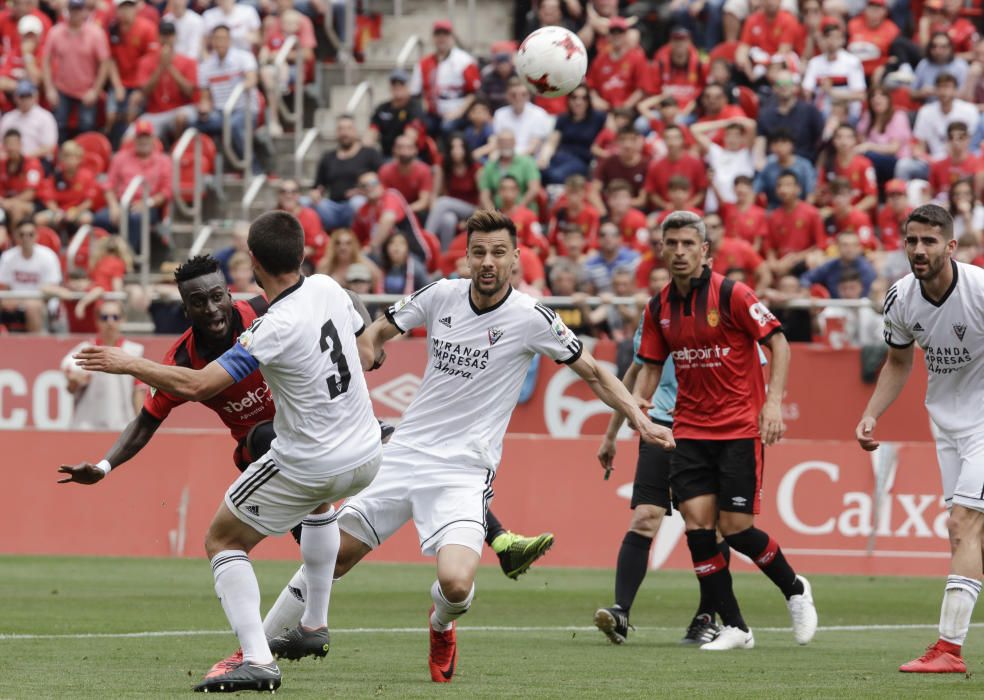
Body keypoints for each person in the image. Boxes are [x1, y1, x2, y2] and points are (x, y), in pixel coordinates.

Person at [250, 209, 674, 683]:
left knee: (454, 584)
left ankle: (441, 624)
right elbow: (379, 331)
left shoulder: (532, 318)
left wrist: (639, 417)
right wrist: (368, 350)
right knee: (332, 559)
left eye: (498, 252)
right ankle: (254, 652)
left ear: (515, 257)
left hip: (464, 470)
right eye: (478, 252)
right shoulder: (441, 295)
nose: (488, 262)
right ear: (467, 257)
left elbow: (594, 371)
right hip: (402, 455)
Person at [69, 213, 386, 693]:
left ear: (250, 267)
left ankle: (258, 660)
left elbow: (198, 386)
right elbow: (353, 303)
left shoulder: (267, 325)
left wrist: (127, 362)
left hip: (308, 455)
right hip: (362, 453)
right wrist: (369, 343)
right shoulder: (325, 286)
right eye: (200, 301)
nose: (214, 308)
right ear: (302, 252)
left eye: (218, 296)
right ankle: (312, 626)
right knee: (301, 480)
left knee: (222, 539)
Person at [634, 210, 817, 651]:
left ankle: (794, 588)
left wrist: (772, 402)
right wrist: (640, 409)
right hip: (690, 429)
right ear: (662, 249)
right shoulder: (659, 306)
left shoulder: (732, 294)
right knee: (698, 526)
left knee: (735, 529)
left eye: (687, 244)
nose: (679, 252)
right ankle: (736, 626)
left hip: (737, 427)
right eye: (671, 244)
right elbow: (651, 368)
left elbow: (778, 341)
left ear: (704, 251)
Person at [856, 204, 984, 674]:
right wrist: (871, 414)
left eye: (929, 241)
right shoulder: (900, 298)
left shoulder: (979, 290)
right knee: (970, 540)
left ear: (951, 246)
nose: (919, 250)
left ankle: (948, 651)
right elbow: (898, 363)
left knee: (963, 524)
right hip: (946, 426)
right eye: (912, 241)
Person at [60, 299, 145, 430]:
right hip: (87, 427)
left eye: (115, 317)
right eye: (104, 317)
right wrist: (74, 381)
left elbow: (139, 391)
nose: (110, 322)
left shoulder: (134, 351)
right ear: (97, 320)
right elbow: (71, 389)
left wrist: (141, 428)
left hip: (122, 427)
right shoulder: (84, 350)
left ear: (123, 319)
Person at [93, 120, 173, 254]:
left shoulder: (163, 161)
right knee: (100, 218)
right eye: (140, 137)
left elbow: (167, 191)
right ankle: (102, 257)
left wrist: (148, 202)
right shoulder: (120, 157)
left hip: (148, 205)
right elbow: (108, 185)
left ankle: (126, 258)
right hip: (121, 204)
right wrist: (113, 206)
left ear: (153, 139)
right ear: (134, 139)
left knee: (135, 219)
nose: (143, 141)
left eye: (146, 137)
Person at [41, 0, 111, 140]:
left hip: (87, 90)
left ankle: (84, 159)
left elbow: (105, 62)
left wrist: (96, 90)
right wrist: (49, 88)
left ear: (84, 11)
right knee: (59, 127)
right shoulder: (56, 32)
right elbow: (45, 60)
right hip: (62, 89)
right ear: (68, 11)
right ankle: (58, 159)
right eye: (73, 9)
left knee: (86, 127)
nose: (76, 13)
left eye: (79, 9)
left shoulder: (95, 33)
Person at [195, 24, 259, 173]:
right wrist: (204, 108)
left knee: (233, 126)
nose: (220, 42)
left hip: (245, 109)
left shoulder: (244, 57)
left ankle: (254, 169)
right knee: (193, 125)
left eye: (223, 38)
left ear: (230, 40)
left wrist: (242, 85)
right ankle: (208, 172)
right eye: (217, 39)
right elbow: (205, 97)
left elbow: (252, 79)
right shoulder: (206, 66)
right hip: (220, 111)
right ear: (212, 41)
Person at [899, 73, 979, 181]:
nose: (944, 92)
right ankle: (901, 195)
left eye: (947, 87)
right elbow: (919, 145)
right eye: (940, 87)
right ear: (935, 90)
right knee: (904, 165)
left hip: (963, 162)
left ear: (956, 90)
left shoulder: (969, 110)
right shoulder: (926, 112)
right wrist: (929, 159)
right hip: (933, 162)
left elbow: (974, 144)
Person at [310, 114, 382, 231]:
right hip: (332, 207)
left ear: (355, 131)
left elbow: (381, 182)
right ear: (336, 132)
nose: (345, 133)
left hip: (358, 203)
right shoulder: (328, 157)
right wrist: (315, 193)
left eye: (348, 128)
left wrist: (361, 191)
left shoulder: (369, 154)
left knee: (357, 202)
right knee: (305, 202)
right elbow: (318, 186)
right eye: (341, 129)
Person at [130, 20, 198, 140]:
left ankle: (177, 151)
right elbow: (145, 92)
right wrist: (161, 67)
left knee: (181, 117)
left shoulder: (188, 61)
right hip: (155, 112)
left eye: (170, 35)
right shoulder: (146, 61)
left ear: (175, 37)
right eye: (163, 35)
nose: (167, 38)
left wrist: (170, 67)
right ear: (158, 37)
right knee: (129, 138)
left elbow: (190, 92)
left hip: (179, 109)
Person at [410, 20, 480, 135]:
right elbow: (415, 94)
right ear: (433, 38)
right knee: (420, 126)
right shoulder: (423, 64)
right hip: (433, 113)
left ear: (452, 37)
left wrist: (458, 112)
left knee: (446, 127)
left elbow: (474, 93)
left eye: (445, 35)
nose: (441, 38)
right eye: (438, 35)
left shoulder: (465, 61)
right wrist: (424, 106)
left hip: (460, 112)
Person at [105, 0, 160, 145]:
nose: (126, 11)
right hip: (121, 81)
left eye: (129, 7)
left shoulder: (147, 28)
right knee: (110, 115)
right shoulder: (113, 29)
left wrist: (140, 90)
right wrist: (117, 85)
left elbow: (151, 61)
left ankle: (131, 147)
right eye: (122, 8)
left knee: (132, 113)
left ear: (135, 9)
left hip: (140, 83)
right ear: (117, 10)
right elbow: (111, 60)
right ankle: (112, 148)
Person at [0, 219, 62, 332]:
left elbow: (51, 289)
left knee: (33, 306)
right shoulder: (8, 257)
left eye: (30, 234)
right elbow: (5, 286)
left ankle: (36, 344)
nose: (26, 238)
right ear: (16, 237)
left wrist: (25, 300)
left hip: (41, 300)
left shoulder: (48, 256)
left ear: (36, 236)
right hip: (14, 299)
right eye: (22, 234)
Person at [538, 85, 607, 186]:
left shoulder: (598, 118)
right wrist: (544, 158)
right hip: (560, 157)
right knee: (538, 173)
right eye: (574, 97)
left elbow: (611, 135)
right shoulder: (563, 118)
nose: (578, 102)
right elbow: (551, 143)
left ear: (589, 100)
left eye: (584, 98)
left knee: (556, 176)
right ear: (568, 99)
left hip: (582, 161)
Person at [800, 21, 866, 121]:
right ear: (822, 39)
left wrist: (831, 92)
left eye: (836, 37)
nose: (831, 41)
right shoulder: (814, 63)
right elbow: (807, 91)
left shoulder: (852, 62)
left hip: (847, 114)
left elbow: (860, 95)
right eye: (828, 37)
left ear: (842, 40)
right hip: (820, 114)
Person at [755, 70, 825, 164]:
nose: (783, 86)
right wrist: (759, 161)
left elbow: (822, 140)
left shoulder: (810, 111)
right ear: (774, 88)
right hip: (775, 162)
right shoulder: (766, 114)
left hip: (803, 163)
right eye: (779, 83)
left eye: (787, 83)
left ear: (795, 87)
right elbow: (760, 141)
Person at [765, 170, 826, 277]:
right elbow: (769, 246)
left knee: (816, 259)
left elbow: (820, 245)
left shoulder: (812, 213)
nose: (783, 189)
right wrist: (772, 262)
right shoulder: (773, 216)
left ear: (798, 189)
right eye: (779, 186)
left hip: (803, 261)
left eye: (788, 185)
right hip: (781, 263)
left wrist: (794, 258)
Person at [425, 133, 480, 248]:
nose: (456, 151)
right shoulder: (444, 165)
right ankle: (444, 255)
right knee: (448, 219)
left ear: (466, 149)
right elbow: (434, 193)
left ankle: (425, 240)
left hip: (472, 209)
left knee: (443, 201)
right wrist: (434, 210)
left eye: (460, 147)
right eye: (453, 147)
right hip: (450, 208)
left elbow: (483, 199)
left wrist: (470, 220)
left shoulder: (475, 167)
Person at [34, 140, 98, 236]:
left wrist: (75, 211)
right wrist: (57, 212)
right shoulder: (55, 176)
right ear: (61, 158)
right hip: (58, 211)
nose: (70, 160)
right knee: (38, 219)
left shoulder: (87, 176)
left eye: (73, 157)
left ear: (79, 159)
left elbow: (88, 202)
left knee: (87, 219)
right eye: (66, 156)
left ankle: (82, 246)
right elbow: (49, 199)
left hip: (78, 211)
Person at [586, 16, 647, 112]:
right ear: (608, 35)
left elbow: (641, 89)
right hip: (604, 110)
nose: (616, 36)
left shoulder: (637, 57)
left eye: (620, 33)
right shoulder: (600, 58)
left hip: (628, 111)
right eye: (613, 33)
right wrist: (596, 99)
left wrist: (625, 107)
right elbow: (590, 85)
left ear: (626, 34)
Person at [856, 86, 912, 186]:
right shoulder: (868, 116)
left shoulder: (898, 116)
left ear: (888, 99)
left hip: (896, 161)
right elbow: (860, 136)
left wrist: (869, 146)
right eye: (873, 96)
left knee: (869, 156)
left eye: (882, 95)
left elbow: (893, 149)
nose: (877, 99)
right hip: (873, 161)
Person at [477, 129, 541, 213]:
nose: (506, 144)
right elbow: (484, 195)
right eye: (503, 141)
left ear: (515, 142)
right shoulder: (490, 166)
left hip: (524, 212)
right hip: (498, 213)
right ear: (498, 144)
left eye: (509, 141)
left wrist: (516, 210)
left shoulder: (527, 162)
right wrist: (493, 215)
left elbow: (534, 189)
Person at [800, 230, 877, 297]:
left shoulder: (866, 269)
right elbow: (806, 278)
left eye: (853, 245)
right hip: (834, 307)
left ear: (859, 248)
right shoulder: (830, 266)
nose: (849, 249)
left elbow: (868, 294)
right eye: (845, 245)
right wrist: (808, 290)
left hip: (859, 308)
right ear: (837, 247)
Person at [367, 69, 424, 159]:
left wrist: (398, 153)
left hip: (408, 156)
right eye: (394, 83)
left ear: (407, 86)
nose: (397, 86)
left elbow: (410, 136)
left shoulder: (414, 107)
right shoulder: (382, 108)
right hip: (385, 154)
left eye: (401, 83)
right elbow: (371, 132)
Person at [754, 129, 816, 209]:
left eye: (783, 142)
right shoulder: (768, 164)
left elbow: (810, 193)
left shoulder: (804, 165)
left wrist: (805, 212)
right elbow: (756, 189)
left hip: (799, 208)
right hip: (774, 209)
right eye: (775, 143)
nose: (779, 147)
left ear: (792, 145)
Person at [492, 78, 552, 158]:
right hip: (504, 158)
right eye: (514, 95)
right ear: (507, 95)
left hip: (529, 160)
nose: (518, 98)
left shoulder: (539, 114)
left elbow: (533, 147)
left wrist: (514, 160)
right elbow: (497, 142)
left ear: (529, 95)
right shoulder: (499, 114)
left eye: (523, 94)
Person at [0, 80, 56, 164]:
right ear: (15, 97)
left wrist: (23, 158)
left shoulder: (45, 117)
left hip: (37, 160)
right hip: (11, 161)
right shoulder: (8, 118)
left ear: (35, 97)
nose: (25, 100)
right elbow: (1, 143)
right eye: (22, 96)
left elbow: (49, 147)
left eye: (28, 96)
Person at [378, 134, 433, 218]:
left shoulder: (424, 170)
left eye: (409, 147)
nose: (404, 151)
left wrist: (403, 211)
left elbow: (423, 202)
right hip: (391, 212)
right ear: (394, 150)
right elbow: (382, 198)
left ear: (416, 150)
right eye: (400, 147)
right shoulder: (385, 170)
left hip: (415, 212)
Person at [928, 122, 983, 199]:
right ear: (947, 140)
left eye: (961, 137)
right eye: (951, 138)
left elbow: (978, 197)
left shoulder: (978, 166)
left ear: (968, 139)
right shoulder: (937, 166)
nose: (955, 142)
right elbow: (930, 195)